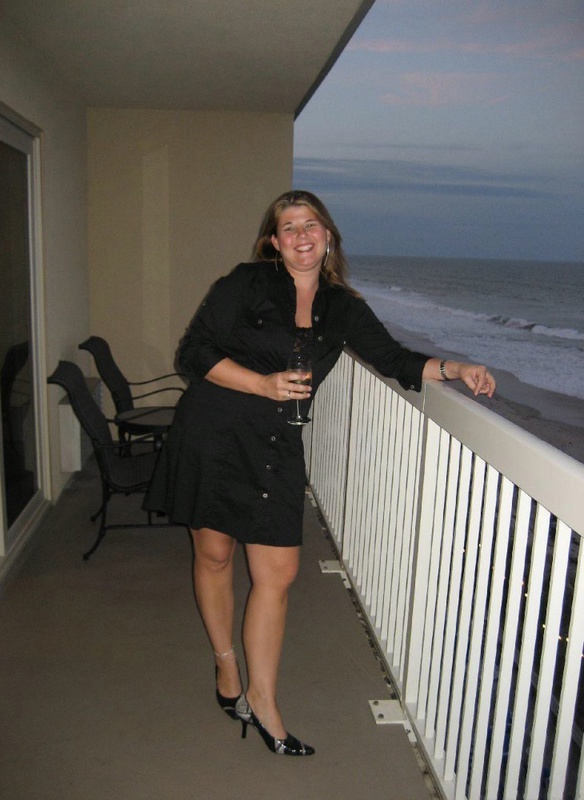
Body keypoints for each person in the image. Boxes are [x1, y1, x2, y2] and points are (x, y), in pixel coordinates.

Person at [145, 190, 496, 757]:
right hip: (213, 433)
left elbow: (394, 358)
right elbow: (193, 352)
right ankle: (226, 666)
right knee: (214, 556)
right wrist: (261, 384)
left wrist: (455, 366)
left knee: (278, 574)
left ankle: (263, 697)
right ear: (274, 241)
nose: (301, 235)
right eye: (289, 227)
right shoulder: (245, 283)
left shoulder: (342, 306)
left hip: (276, 444)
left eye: (311, 224)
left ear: (328, 235)